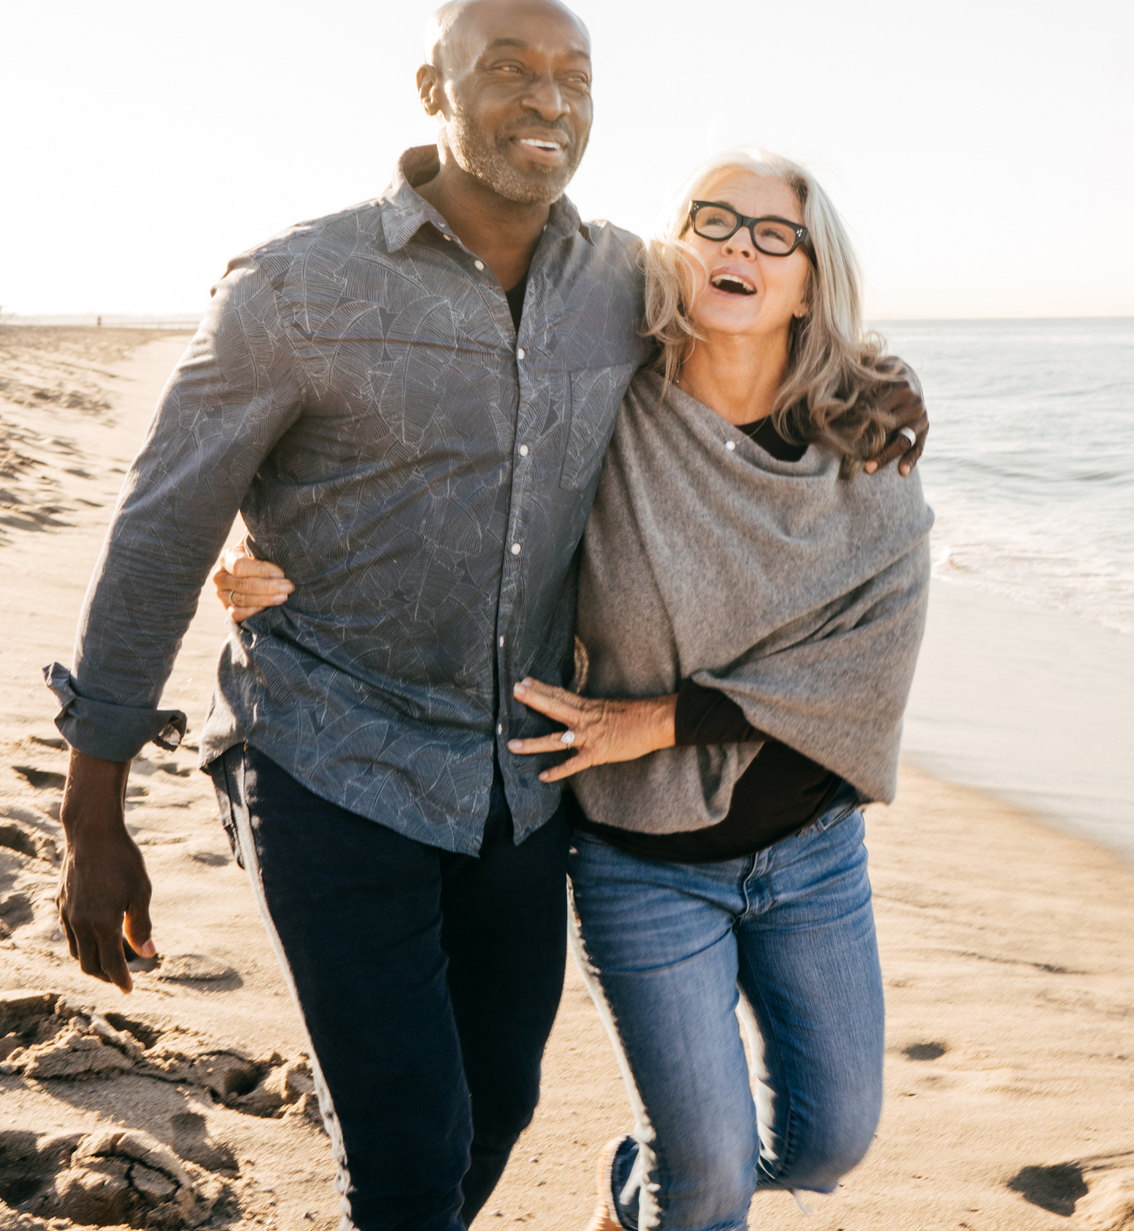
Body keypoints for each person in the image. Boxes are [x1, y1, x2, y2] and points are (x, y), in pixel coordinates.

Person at [48, 0, 927, 1231]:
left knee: (497, 1107)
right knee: (410, 1152)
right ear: (432, 91)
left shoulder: (628, 281)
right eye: (508, 69)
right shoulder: (298, 287)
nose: (547, 99)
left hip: (517, 783)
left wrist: (879, 373)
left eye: (574, 75)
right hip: (328, 756)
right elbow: (159, 529)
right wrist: (94, 811)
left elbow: (770, 323)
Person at [221, 151, 933, 1231]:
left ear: (811, 277)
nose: (740, 244)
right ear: (678, 246)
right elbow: (448, 485)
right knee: (708, 1184)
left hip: (812, 854)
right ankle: (674, 1175)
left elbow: (870, 654)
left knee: (828, 1143)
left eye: (773, 233)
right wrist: (280, 547)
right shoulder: (605, 403)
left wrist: (663, 720)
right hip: (641, 863)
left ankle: (632, 1179)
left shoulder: (861, 433)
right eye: (715, 220)